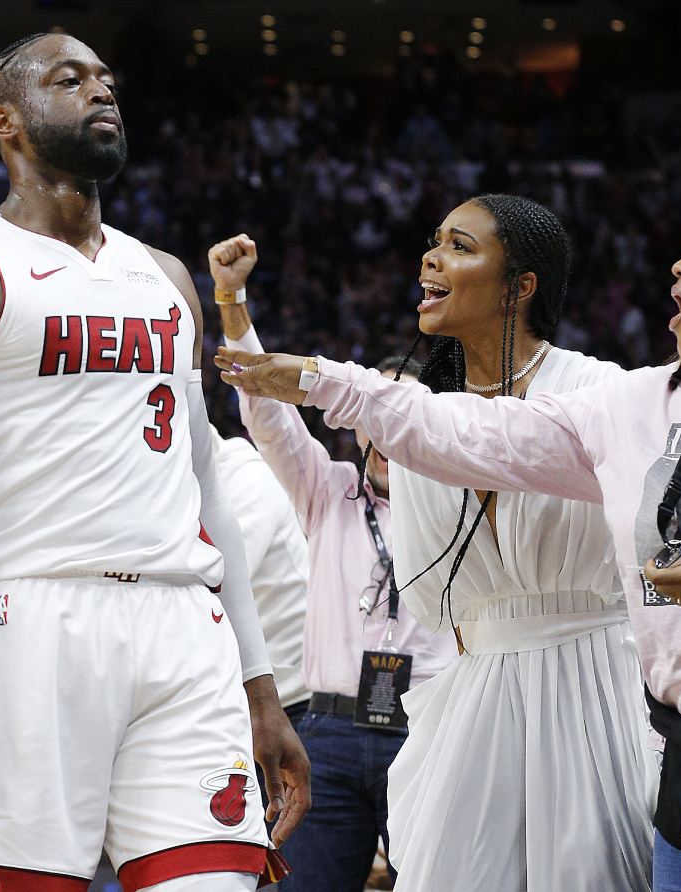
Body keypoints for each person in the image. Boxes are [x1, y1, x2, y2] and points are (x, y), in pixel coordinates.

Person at [0, 31, 308, 892]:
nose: (101, 92)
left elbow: (206, 488)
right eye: (69, 80)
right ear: (8, 123)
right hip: (27, 622)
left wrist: (258, 685)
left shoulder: (168, 277)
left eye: (107, 80)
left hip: (185, 625)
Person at [216, 192, 681, 891]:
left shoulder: (603, 392)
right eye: (434, 241)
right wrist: (300, 366)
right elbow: (456, 433)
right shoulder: (438, 420)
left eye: (460, 245)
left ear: (520, 285)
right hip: (470, 693)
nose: (430, 257)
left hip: (594, 687)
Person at [208, 235, 458, 892]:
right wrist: (232, 304)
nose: (383, 434)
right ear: (357, 425)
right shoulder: (328, 489)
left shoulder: (460, 505)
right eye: (373, 417)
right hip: (329, 732)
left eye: (399, 415)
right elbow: (268, 416)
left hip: (432, 726)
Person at [210, 427, 311, 721]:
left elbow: (214, 583)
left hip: (291, 700)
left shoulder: (246, 477)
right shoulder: (179, 489)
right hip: (244, 695)